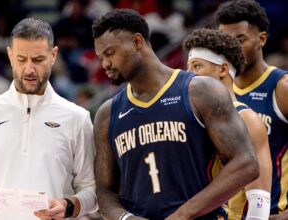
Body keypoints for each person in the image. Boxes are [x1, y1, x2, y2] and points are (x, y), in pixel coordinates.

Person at [92, 8, 259, 219]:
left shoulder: (200, 91)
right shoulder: (107, 114)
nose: (105, 64)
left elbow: (246, 163)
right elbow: (105, 191)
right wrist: (126, 218)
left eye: (110, 53)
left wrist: (183, 215)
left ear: (137, 42)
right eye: (100, 58)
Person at [0, 18, 97, 220]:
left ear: (53, 56)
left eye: (38, 60)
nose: (28, 69)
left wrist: (69, 205)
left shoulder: (77, 118)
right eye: (21, 59)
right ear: (10, 56)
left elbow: (91, 190)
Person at [183, 28, 272, 220]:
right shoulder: (190, 116)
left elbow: (259, 201)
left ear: (223, 69)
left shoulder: (247, 118)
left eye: (196, 66)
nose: (188, 75)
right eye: (187, 68)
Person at [214, 1, 288, 218]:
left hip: (274, 213)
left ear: (262, 39)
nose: (230, 49)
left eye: (239, 40)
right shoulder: (215, 93)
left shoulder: (281, 87)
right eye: (224, 41)